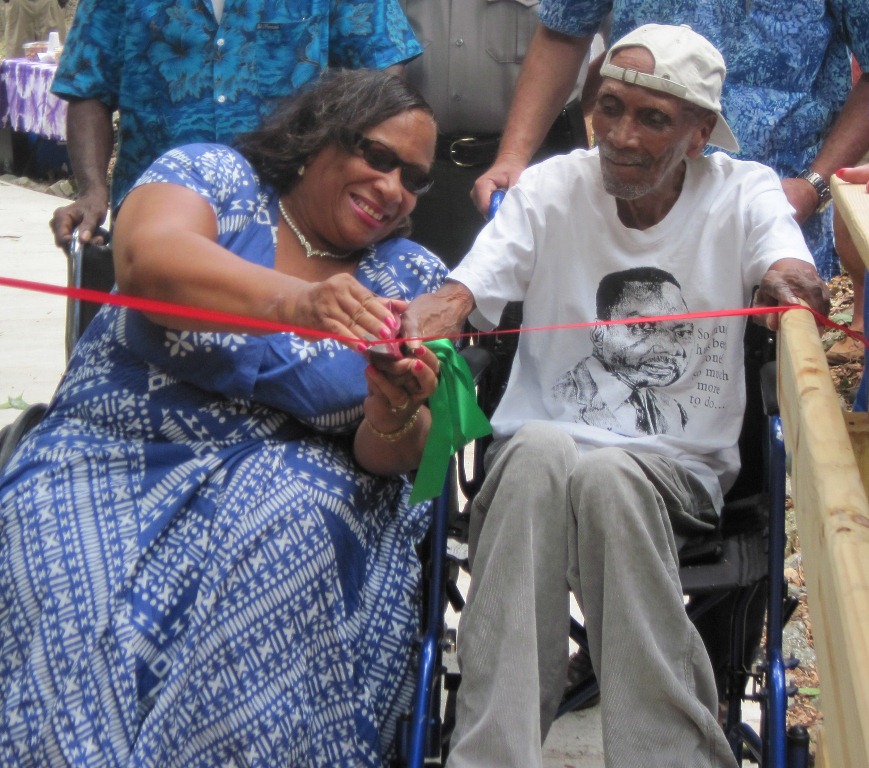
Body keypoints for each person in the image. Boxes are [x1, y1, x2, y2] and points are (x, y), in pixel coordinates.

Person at [400, 24, 829, 767]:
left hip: (674, 470)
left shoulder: (742, 191)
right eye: (608, 108)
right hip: (539, 465)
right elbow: (467, 286)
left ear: (698, 134)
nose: (620, 136)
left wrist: (787, 281)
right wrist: (429, 316)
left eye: (652, 118)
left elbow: (786, 264)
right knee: (534, 447)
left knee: (604, 475)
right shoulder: (552, 186)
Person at [0, 69, 448, 766]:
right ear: (315, 138)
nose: (393, 188)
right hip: (108, 454)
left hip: (295, 486)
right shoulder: (213, 174)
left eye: (414, 179)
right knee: (75, 600)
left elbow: (410, 452)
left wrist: (396, 404)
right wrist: (295, 304)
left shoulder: (410, 276)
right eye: (377, 156)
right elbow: (149, 260)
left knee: (293, 519)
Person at [469, 0, 869, 295]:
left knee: (763, 361)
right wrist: (512, 157)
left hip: (777, 208)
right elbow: (563, 30)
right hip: (630, 205)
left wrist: (812, 184)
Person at [47, 0, 423, 249]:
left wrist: (372, 176)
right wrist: (92, 190)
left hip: (290, 232)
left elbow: (383, 69)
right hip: (155, 228)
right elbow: (88, 88)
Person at [399, 0, 606, 268]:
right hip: (419, 177)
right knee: (419, 295)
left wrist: (569, 105)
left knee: (542, 295)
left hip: (540, 165)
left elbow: (637, 39)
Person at [551, 268, 694, 435]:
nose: (672, 348)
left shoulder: (671, 411)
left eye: (682, 332)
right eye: (643, 327)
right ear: (599, 333)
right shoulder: (560, 395)